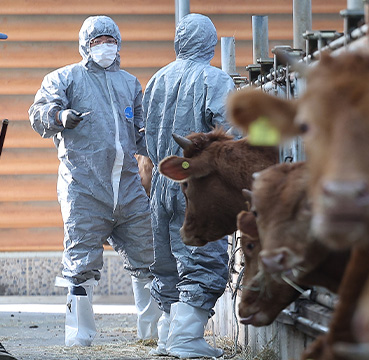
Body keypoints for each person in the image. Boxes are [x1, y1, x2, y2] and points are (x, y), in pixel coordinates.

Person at [28, 16, 162, 347]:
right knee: (80, 264)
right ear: (85, 45)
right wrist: (59, 117)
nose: (105, 46)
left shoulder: (129, 83)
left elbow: (142, 132)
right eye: (97, 41)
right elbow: (38, 113)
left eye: (109, 40)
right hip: (84, 188)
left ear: (118, 43)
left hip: (129, 189)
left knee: (149, 257)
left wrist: (166, 150)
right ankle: (80, 338)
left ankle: (153, 334)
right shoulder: (66, 78)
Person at [142, 13, 234, 359]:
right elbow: (231, 132)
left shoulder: (157, 79)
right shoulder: (215, 79)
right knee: (203, 256)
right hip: (198, 185)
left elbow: (146, 134)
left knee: (166, 259)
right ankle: (187, 338)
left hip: (163, 180)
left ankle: (168, 335)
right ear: (210, 43)